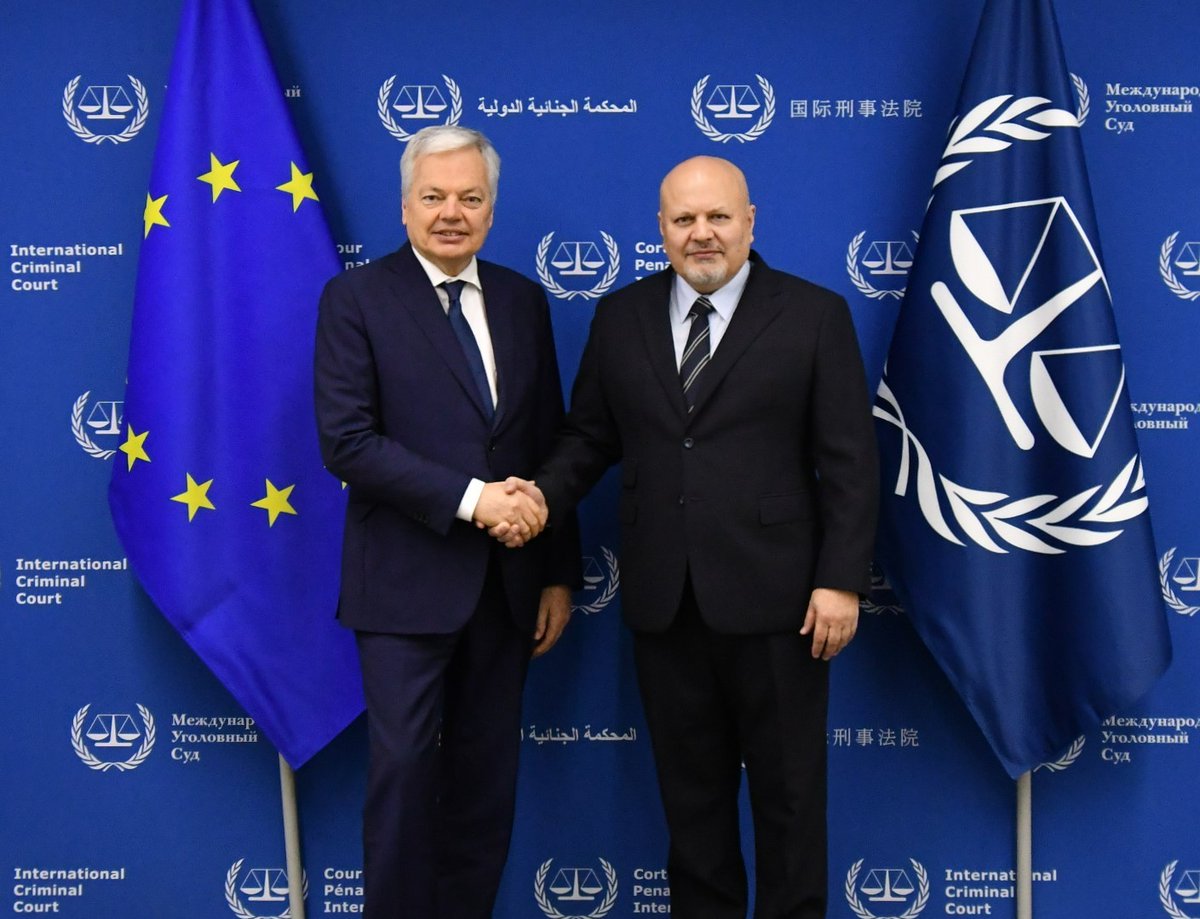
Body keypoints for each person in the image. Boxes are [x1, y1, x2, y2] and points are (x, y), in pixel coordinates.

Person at [502, 156, 878, 918]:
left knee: (790, 805)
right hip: (665, 605)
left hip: (784, 608)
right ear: (661, 229)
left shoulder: (814, 314)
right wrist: (537, 496)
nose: (701, 233)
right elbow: (588, 439)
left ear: (750, 220)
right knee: (692, 811)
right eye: (684, 220)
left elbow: (850, 461)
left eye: (717, 217)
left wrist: (840, 579)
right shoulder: (621, 316)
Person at [313, 124, 579, 919]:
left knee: (485, 784)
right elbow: (348, 441)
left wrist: (559, 568)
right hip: (403, 586)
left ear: (492, 211)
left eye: (470, 198)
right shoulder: (356, 298)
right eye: (434, 197)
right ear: (404, 207)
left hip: (509, 588)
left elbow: (547, 436)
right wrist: (473, 498)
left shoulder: (525, 299)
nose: (451, 213)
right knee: (400, 781)